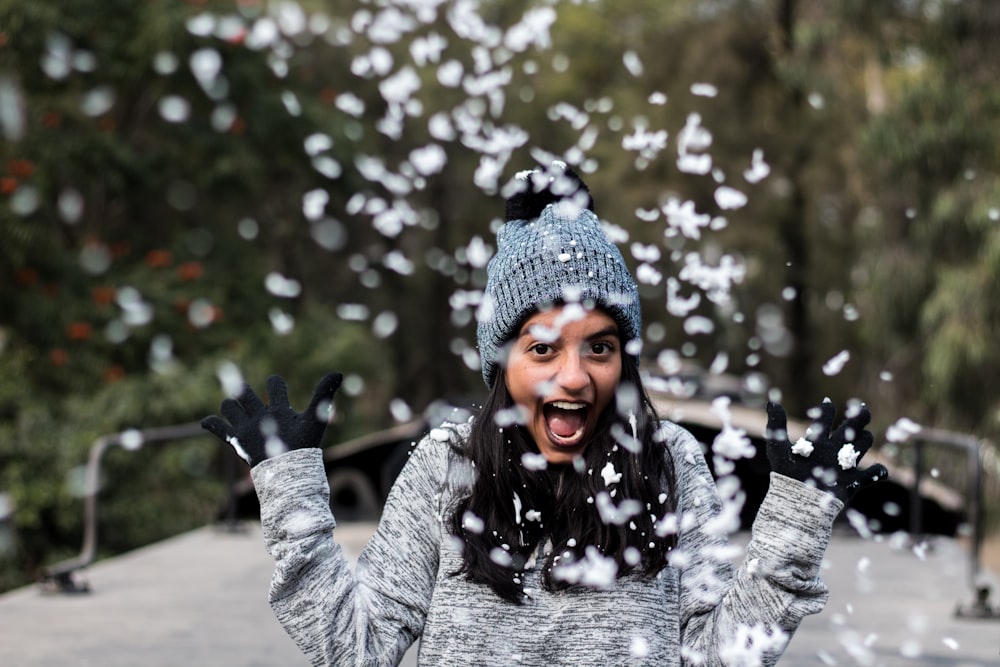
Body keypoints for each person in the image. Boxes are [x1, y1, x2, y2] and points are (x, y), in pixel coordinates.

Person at [201, 162, 888, 666]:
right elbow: (356, 645)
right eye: (542, 346)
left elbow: (720, 656)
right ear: (503, 363)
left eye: (600, 345)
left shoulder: (672, 460)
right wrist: (289, 495)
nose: (574, 374)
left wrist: (797, 526)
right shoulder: (446, 466)